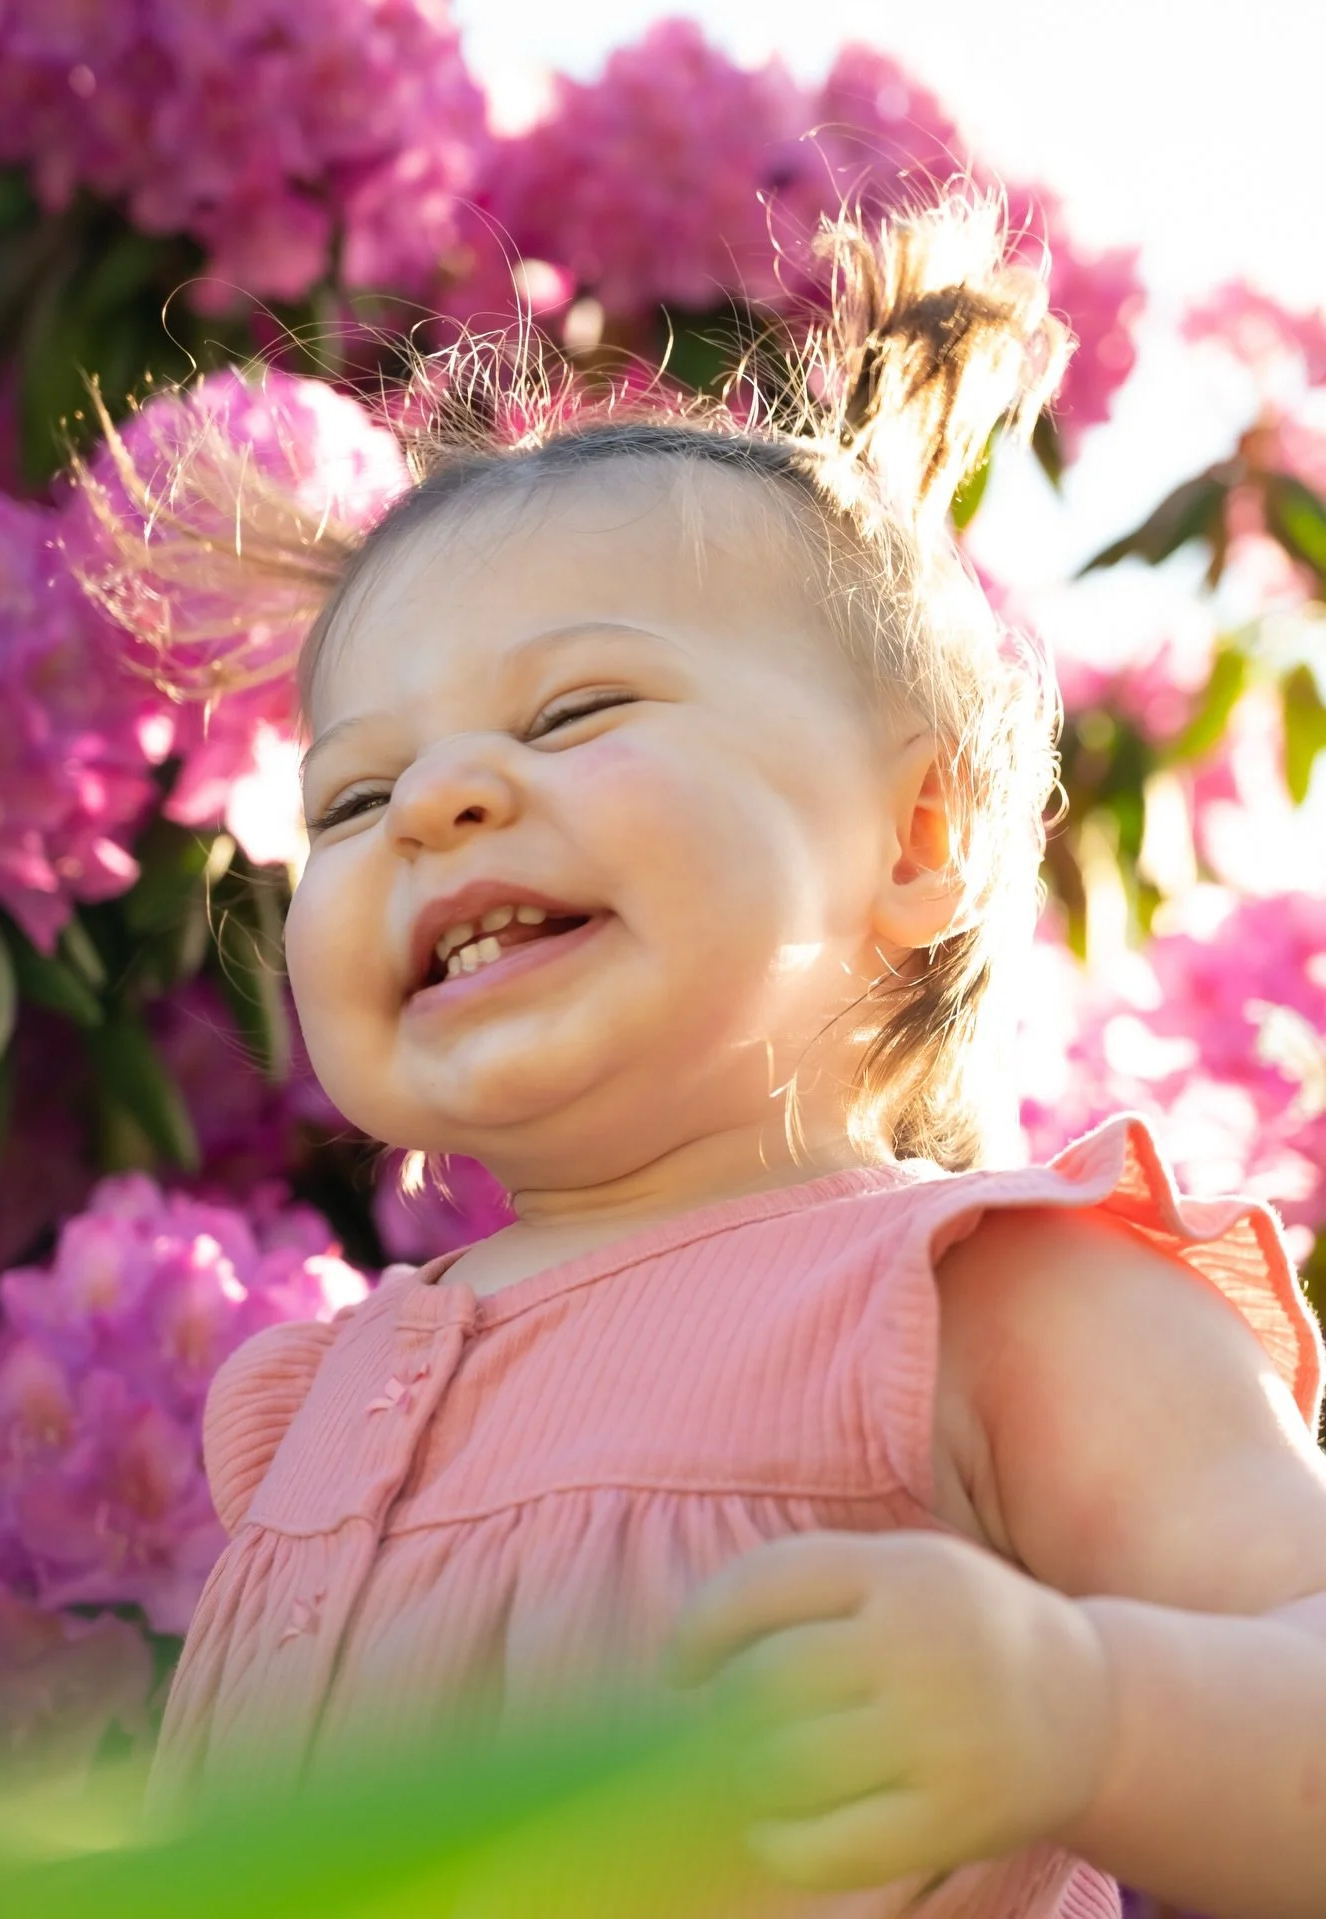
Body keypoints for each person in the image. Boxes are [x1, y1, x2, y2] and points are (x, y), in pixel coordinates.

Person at [100, 196, 1326, 1918]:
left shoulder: (980, 1295)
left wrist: (1088, 1711)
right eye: (355, 797)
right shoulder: (304, 1408)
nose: (440, 803)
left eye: (576, 711)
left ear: (915, 838)